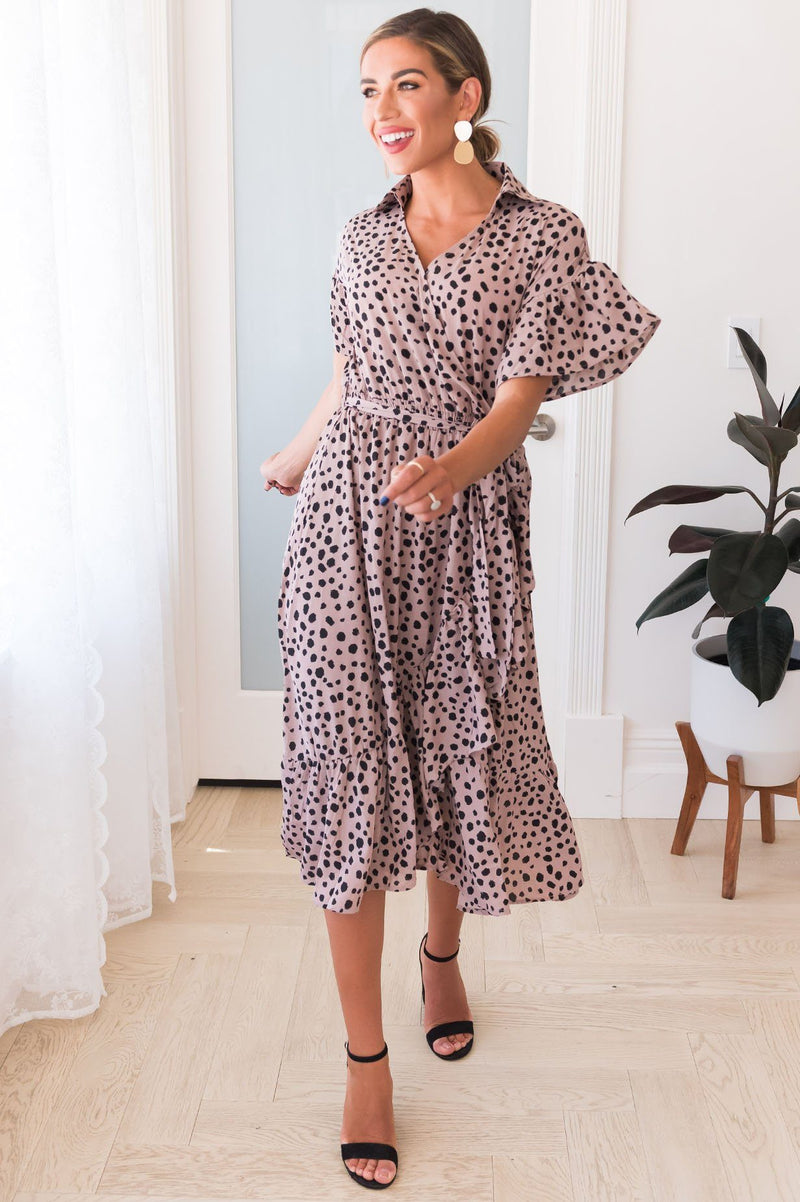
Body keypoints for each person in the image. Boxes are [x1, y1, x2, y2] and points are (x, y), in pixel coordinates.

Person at [261, 8, 661, 1190]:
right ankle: (364, 1059)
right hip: (345, 527)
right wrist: (299, 452)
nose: (381, 111)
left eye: (405, 85)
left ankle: (440, 956)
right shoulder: (360, 235)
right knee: (346, 771)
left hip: (464, 530)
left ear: (463, 96)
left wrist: (451, 470)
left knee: (451, 754)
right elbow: (351, 368)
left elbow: (515, 402)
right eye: (366, 89)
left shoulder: (542, 236)